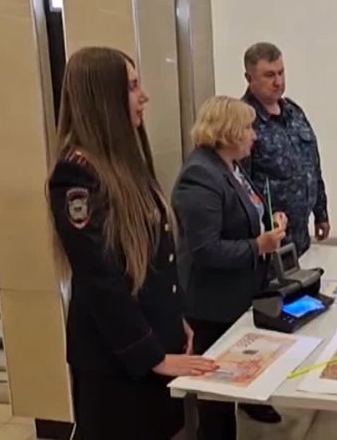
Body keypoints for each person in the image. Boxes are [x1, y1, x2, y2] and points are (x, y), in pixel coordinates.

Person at [47, 47, 218, 440]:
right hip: (116, 363)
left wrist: (174, 320)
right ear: (104, 98)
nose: (144, 97)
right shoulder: (77, 175)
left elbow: (154, 258)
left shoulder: (123, 163)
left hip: (152, 346)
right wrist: (151, 354)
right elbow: (101, 280)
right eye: (132, 87)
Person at [172, 96, 289, 434]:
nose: (254, 135)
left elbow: (245, 215)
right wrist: (259, 245)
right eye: (248, 128)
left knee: (231, 391)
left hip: (237, 298)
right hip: (212, 307)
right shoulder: (200, 175)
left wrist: (269, 223)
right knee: (216, 404)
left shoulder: (230, 167)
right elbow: (206, 250)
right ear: (229, 132)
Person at [241, 42, 329, 256]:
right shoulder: (243, 120)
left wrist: (321, 213)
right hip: (269, 241)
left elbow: (313, 166)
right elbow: (241, 184)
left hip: (301, 235)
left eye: (281, 72)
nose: (278, 82)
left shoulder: (294, 112)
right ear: (249, 78)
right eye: (269, 75)